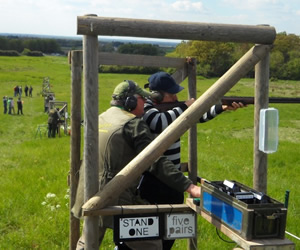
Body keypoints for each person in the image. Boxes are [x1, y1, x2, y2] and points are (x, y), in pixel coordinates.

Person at [72, 80, 200, 250]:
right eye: (142, 99)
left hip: (89, 190)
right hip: (117, 194)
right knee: (150, 243)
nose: (146, 103)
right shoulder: (133, 123)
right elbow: (154, 160)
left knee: (88, 240)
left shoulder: (100, 118)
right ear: (130, 101)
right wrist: (189, 187)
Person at [140, 71, 244, 249]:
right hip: (153, 182)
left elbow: (197, 116)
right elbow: (157, 122)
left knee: (169, 233)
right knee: (149, 233)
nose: (176, 97)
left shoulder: (172, 109)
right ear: (156, 95)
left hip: (173, 182)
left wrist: (222, 107)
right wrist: (185, 107)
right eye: (171, 94)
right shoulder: (147, 108)